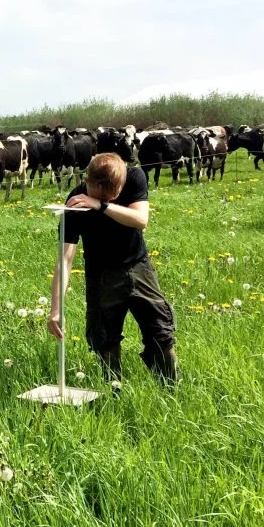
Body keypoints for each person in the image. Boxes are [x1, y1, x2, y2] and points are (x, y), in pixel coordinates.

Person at [47, 152, 178, 384]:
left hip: (138, 267)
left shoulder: (135, 177)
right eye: (104, 192)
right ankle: (113, 391)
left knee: (160, 330)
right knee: (104, 338)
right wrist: (55, 309)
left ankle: (171, 388)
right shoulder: (75, 203)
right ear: (89, 182)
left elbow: (141, 219)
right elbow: (65, 259)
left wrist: (100, 204)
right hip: (101, 275)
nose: (114, 196)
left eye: (115, 192)